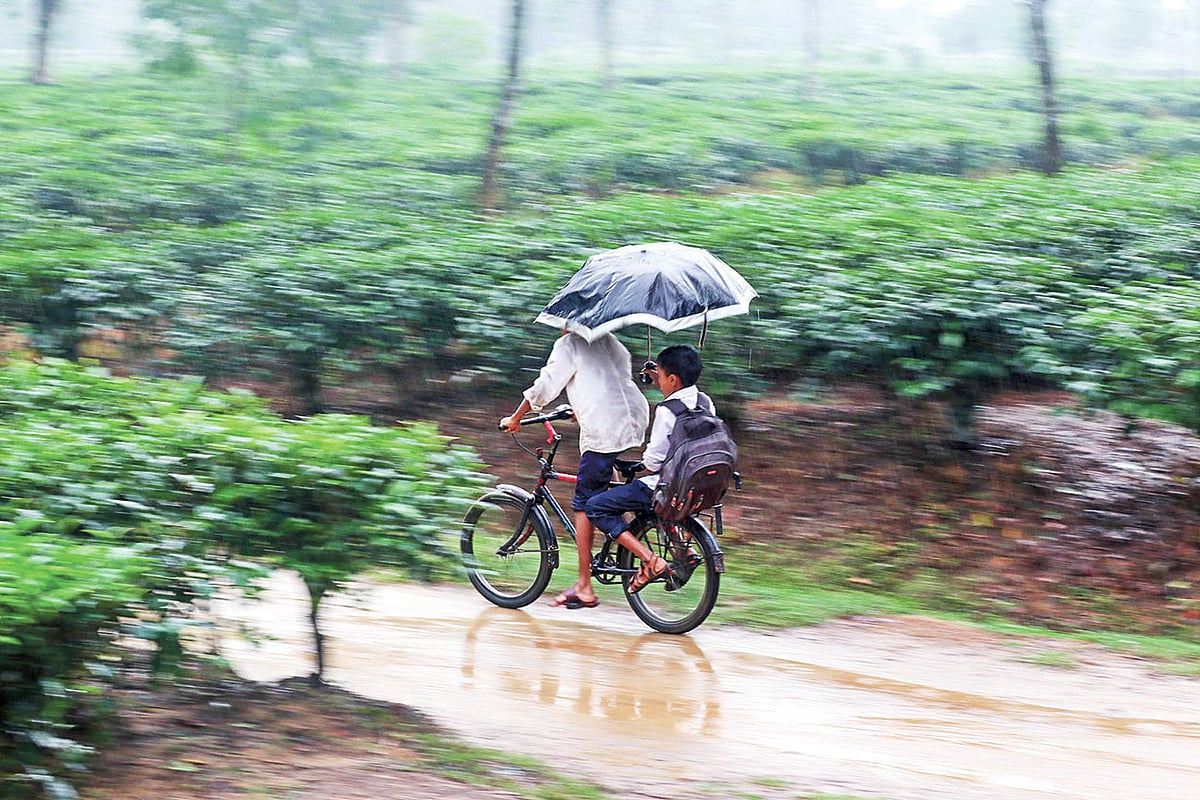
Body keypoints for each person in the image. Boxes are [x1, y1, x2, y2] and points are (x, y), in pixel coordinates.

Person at [500, 331, 649, 609]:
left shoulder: (570, 343)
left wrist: (516, 418)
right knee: (608, 481)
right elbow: (607, 380)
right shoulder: (609, 339)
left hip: (604, 428)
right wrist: (578, 407)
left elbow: (544, 386)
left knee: (584, 504)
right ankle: (634, 535)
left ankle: (584, 585)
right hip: (634, 418)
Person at [585, 343, 706, 594]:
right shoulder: (705, 401)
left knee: (595, 507)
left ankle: (650, 560)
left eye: (660, 376)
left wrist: (646, 462)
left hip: (666, 485)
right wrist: (658, 376)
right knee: (641, 500)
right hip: (696, 485)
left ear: (672, 379)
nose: (657, 381)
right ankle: (685, 549)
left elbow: (653, 462)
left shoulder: (665, 411)